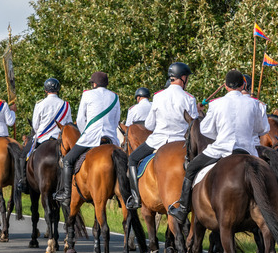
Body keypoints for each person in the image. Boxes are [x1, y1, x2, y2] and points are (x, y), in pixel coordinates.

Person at [167, 69, 268, 224]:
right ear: (242, 86)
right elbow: (263, 129)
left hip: (221, 150)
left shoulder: (216, 104)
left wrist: (220, 134)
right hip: (248, 151)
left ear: (226, 87)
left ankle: (182, 209)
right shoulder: (255, 104)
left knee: (192, 167)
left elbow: (206, 130)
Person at [126, 62, 199, 209]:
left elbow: (149, 125)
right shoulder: (189, 98)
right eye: (187, 78)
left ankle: (135, 199)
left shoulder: (158, 96)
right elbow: (195, 125)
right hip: (181, 143)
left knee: (133, 159)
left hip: (157, 141)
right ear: (183, 77)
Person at [54, 72, 121, 210]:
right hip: (110, 139)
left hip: (90, 138)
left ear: (94, 84)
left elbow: (80, 120)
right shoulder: (115, 97)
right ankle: (127, 195)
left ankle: (66, 194)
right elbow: (116, 120)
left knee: (67, 160)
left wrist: (85, 132)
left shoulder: (87, 94)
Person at [26, 77, 73, 160]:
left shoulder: (40, 104)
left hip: (42, 139)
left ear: (45, 90)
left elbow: (35, 125)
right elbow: (69, 124)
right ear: (58, 89)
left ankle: (22, 173)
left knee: (23, 157)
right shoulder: (65, 105)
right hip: (60, 140)